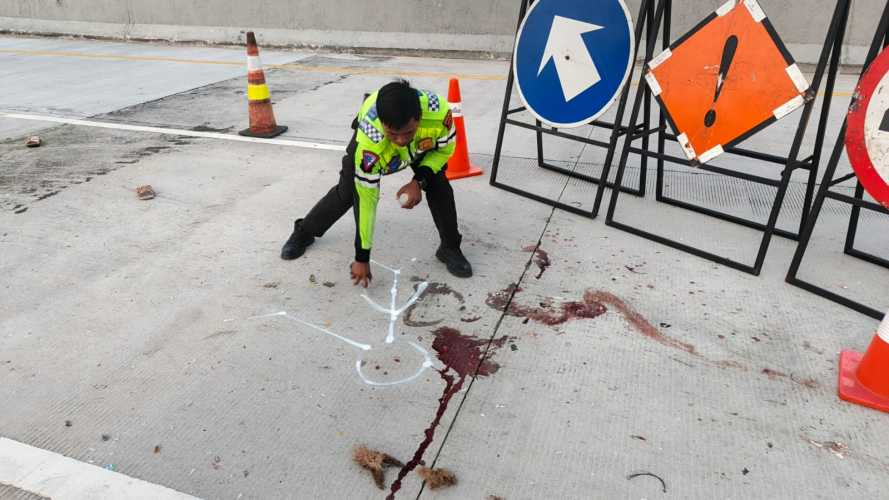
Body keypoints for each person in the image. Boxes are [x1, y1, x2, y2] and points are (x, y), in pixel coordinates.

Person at [280, 79, 473, 287]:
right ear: (382, 124)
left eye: (408, 132)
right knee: (347, 193)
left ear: (419, 118)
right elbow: (367, 200)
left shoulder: (439, 114)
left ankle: (450, 248)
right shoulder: (370, 141)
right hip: (378, 148)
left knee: (439, 184)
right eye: (393, 133)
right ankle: (304, 232)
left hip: (420, 147)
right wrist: (362, 256)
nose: (401, 140)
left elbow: (444, 151)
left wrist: (419, 181)